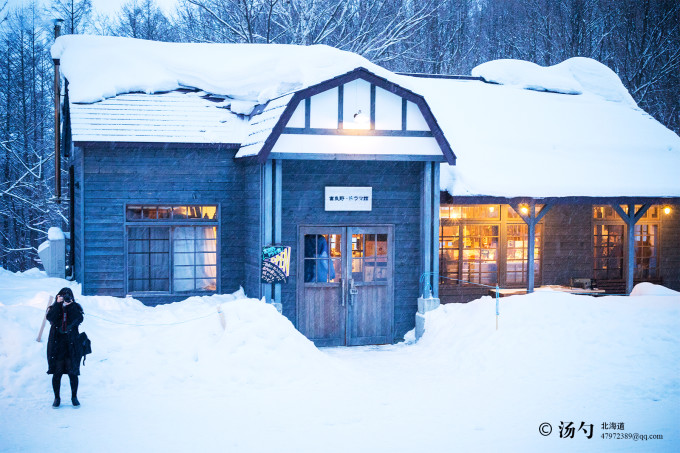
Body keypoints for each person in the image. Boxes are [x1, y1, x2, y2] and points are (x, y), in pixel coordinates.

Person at [46, 287, 84, 408]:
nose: (65, 298)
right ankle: (57, 398)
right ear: (58, 296)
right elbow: (50, 318)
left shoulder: (75, 307)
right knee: (57, 373)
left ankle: (74, 397)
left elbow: (79, 319)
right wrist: (58, 304)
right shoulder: (54, 307)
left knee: (73, 372)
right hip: (57, 345)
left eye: (68, 296)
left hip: (71, 345)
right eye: (63, 296)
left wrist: (70, 306)